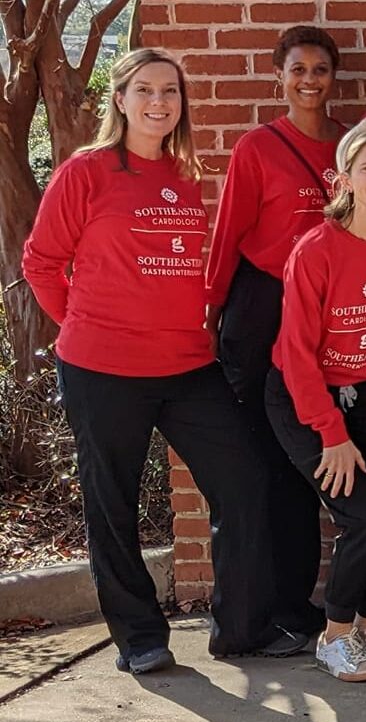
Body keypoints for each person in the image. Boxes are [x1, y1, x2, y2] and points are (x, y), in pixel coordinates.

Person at [23, 48, 276, 672]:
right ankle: (139, 638)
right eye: (145, 90)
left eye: (170, 91)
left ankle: (239, 630)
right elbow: (41, 262)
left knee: (244, 484)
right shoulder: (87, 172)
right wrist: (85, 323)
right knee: (112, 504)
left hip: (188, 365)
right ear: (121, 98)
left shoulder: (188, 174)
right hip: (102, 369)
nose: (159, 102)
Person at [266, 118, 366, 682]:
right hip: (304, 399)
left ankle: (364, 625)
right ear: (345, 180)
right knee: (362, 517)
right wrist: (331, 434)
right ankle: (333, 637)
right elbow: (298, 353)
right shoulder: (315, 250)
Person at [205, 24, 348, 653]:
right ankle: (258, 608)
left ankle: (298, 601)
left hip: (325, 310)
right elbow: (227, 236)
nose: (309, 81)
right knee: (264, 466)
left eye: (319, 70)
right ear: (279, 77)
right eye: (298, 70)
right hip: (262, 307)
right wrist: (207, 316)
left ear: (332, 77)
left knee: (306, 462)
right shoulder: (257, 148)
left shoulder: (349, 148)